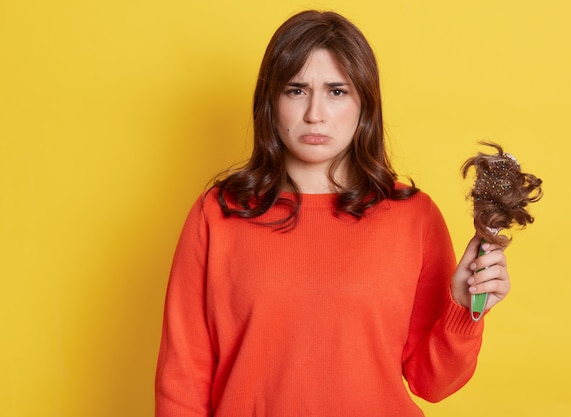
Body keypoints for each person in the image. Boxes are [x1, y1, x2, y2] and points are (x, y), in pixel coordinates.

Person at [155, 9, 510, 417]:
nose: (315, 114)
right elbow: (182, 377)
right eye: (296, 90)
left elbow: (433, 383)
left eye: (337, 91)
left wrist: (464, 307)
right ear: (270, 101)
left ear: (365, 104)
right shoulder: (219, 214)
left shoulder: (413, 216)